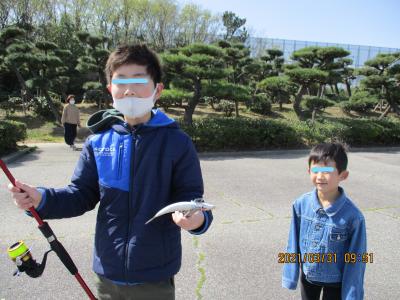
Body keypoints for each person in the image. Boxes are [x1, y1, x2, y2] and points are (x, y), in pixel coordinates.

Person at [9, 44, 213, 300]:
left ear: (157, 89)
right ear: (110, 90)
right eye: (121, 82)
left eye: (139, 81)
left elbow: (192, 199)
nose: (129, 90)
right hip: (106, 271)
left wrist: (197, 221)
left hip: (155, 276)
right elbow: (80, 195)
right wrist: (40, 199)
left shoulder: (178, 142)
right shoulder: (97, 142)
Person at [282, 142, 366, 300]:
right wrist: (290, 275)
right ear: (309, 171)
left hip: (336, 280)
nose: (320, 176)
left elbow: (357, 258)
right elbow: (292, 243)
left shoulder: (353, 217)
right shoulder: (301, 205)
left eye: (327, 170)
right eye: (315, 170)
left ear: (343, 175)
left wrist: (352, 294)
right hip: (308, 276)